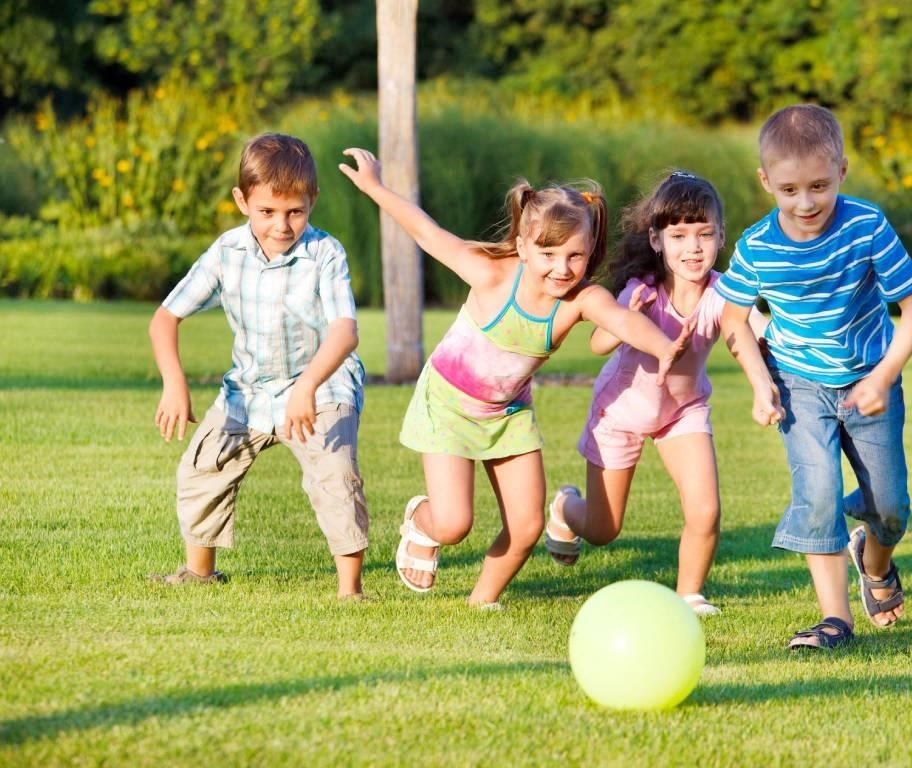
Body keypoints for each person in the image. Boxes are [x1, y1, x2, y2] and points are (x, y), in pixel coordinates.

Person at [338, 147, 690, 608]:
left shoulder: (580, 300)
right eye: (548, 253)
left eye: (575, 255)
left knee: (526, 526)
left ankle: (481, 602)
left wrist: (664, 347)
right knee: (453, 523)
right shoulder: (490, 274)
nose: (562, 268)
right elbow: (426, 232)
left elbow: (620, 320)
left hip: (508, 414)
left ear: (589, 252)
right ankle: (423, 522)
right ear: (523, 247)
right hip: (447, 405)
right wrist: (375, 187)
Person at [715, 104, 912, 649]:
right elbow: (732, 319)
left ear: (842, 171)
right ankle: (836, 619)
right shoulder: (757, 246)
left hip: (869, 380)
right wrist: (761, 383)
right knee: (817, 495)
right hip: (799, 384)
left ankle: (874, 563)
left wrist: (883, 377)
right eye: (789, 190)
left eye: (819, 186)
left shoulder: (866, 226)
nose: (805, 203)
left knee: (890, 508)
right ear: (766, 181)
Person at [148, 133, 369, 600]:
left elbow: (345, 332)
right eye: (267, 211)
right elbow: (165, 318)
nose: (281, 225)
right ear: (242, 201)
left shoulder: (325, 254)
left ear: (312, 201)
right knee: (202, 467)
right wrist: (174, 382)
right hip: (248, 391)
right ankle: (199, 573)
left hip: (322, 387)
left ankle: (350, 591)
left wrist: (308, 386)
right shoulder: (226, 252)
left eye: (295, 212)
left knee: (335, 474)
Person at [544, 171, 768, 617]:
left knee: (705, 510)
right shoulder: (642, 290)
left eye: (705, 234)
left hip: (682, 412)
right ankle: (565, 507)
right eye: (679, 236)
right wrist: (625, 317)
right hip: (620, 412)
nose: (694, 247)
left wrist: (773, 360)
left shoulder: (723, 292)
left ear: (722, 235)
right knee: (603, 529)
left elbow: (752, 330)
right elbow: (599, 344)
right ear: (656, 239)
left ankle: (689, 595)